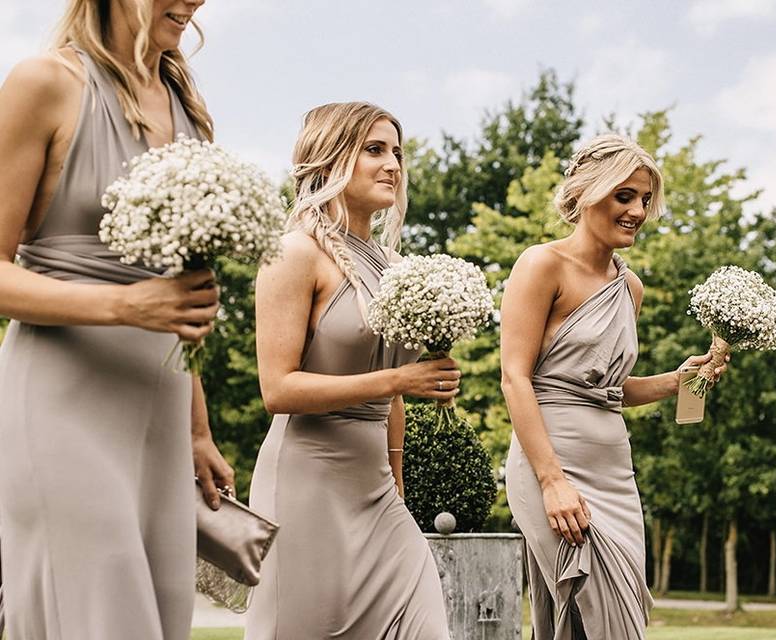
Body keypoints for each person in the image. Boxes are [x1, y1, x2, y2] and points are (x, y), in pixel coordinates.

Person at [0, 1, 233, 638]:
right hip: (62, 403)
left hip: (160, 410)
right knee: (101, 612)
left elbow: (182, 297)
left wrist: (197, 427)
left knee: (159, 616)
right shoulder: (43, 84)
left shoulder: (187, 110)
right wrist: (125, 307)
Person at [501, 134, 729, 639]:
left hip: (616, 476)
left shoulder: (630, 287)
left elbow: (611, 388)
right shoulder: (542, 265)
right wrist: (552, 481)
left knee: (622, 622)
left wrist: (678, 381)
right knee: (583, 620)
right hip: (553, 466)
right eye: (624, 195)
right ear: (586, 192)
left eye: (644, 199)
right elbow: (514, 377)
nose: (638, 211)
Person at [245, 101, 455, 640]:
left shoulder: (390, 267)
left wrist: (398, 481)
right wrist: (397, 380)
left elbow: (394, 398)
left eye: (397, 153)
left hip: (379, 491)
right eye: (374, 149)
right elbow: (278, 388)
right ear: (331, 157)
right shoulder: (294, 253)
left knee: (426, 626)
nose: (393, 165)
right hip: (306, 480)